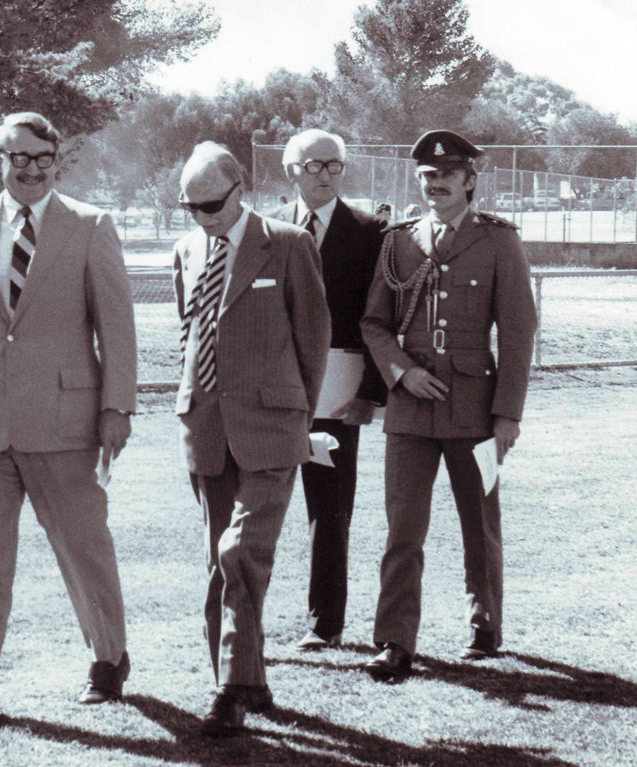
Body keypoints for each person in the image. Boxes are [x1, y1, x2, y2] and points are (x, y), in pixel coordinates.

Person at [0, 112, 137, 730]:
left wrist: (116, 407)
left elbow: (117, 327)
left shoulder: (91, 225)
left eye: (44, 159)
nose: (32, 170)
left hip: (66, 424)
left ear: (56, 162)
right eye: (19, 157)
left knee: (84, 549)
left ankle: (108, 661)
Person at [360, 129, 536, 684]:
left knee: (478, 523)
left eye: (447, 175)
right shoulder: (399, 241)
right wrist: (401, 371)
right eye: (427, 176)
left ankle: (484, 626)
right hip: (410, 409)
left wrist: (507, 415)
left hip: (474, 408)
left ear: (469, 181)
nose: (435, 184)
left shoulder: (498, 241)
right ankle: (395, 641)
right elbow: (374, 323)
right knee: (402, 529)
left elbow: (518, 331)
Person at [173, 141, 330, 735]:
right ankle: (249, 681)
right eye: (190, 207)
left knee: (239, 552)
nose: (202, 218)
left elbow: (313, 339)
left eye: (211, 205)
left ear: (240, 190)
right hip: (207, 430)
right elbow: (189, 335)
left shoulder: (288, 244)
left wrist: (297, 418)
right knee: (222, 562)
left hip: (272, 428)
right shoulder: (186, 250)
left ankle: (231, 689)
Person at [270, 129, 386, 651]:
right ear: (290, 171)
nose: (324, 174)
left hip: (338, 393)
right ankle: (244, 621)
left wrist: (371, 393)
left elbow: (382, 319)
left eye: (333, 165)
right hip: (274, 390)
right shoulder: (266, 227)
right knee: (262, 504)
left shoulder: (370, 232)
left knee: (330, 508)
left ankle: (325, 623)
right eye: (313, 165)